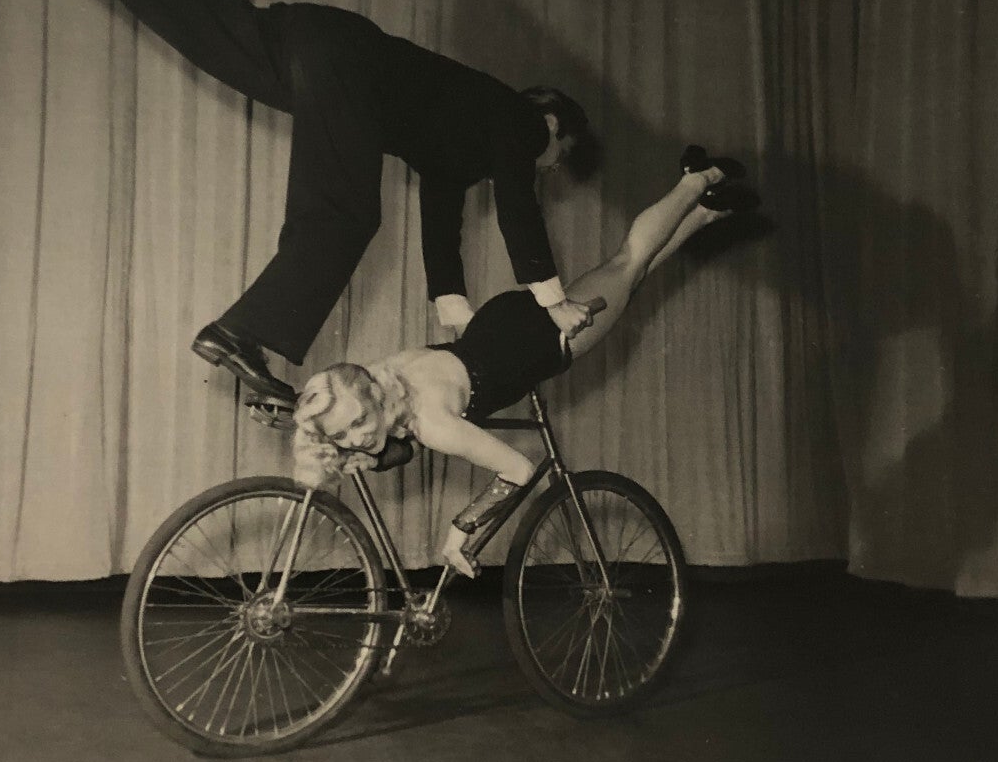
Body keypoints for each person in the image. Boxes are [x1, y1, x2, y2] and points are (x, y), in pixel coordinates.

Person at [0, 0, 602, 403]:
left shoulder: (461, 147)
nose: (546, 167)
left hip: (309, 42)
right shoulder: (521, 120)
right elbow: (517, 205)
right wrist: (556, 301)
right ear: (551, 119)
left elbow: (442, 226)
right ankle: (240, 335)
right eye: (556, 156)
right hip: (345, 62)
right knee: (347, 212)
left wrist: (459, 318)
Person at [290, 152, 771, 577]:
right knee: (630, 275)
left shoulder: (433, 423)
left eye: (356, 425)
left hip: (544, 339)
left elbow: (519, 470)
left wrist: (463, 530)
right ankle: (704, 214)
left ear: (374, 401)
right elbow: (387, 441)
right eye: (343, 435)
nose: (354, 437)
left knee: (627, 261)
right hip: (502, 324)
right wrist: (335, 438)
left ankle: (697, 178)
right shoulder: (382, 373)